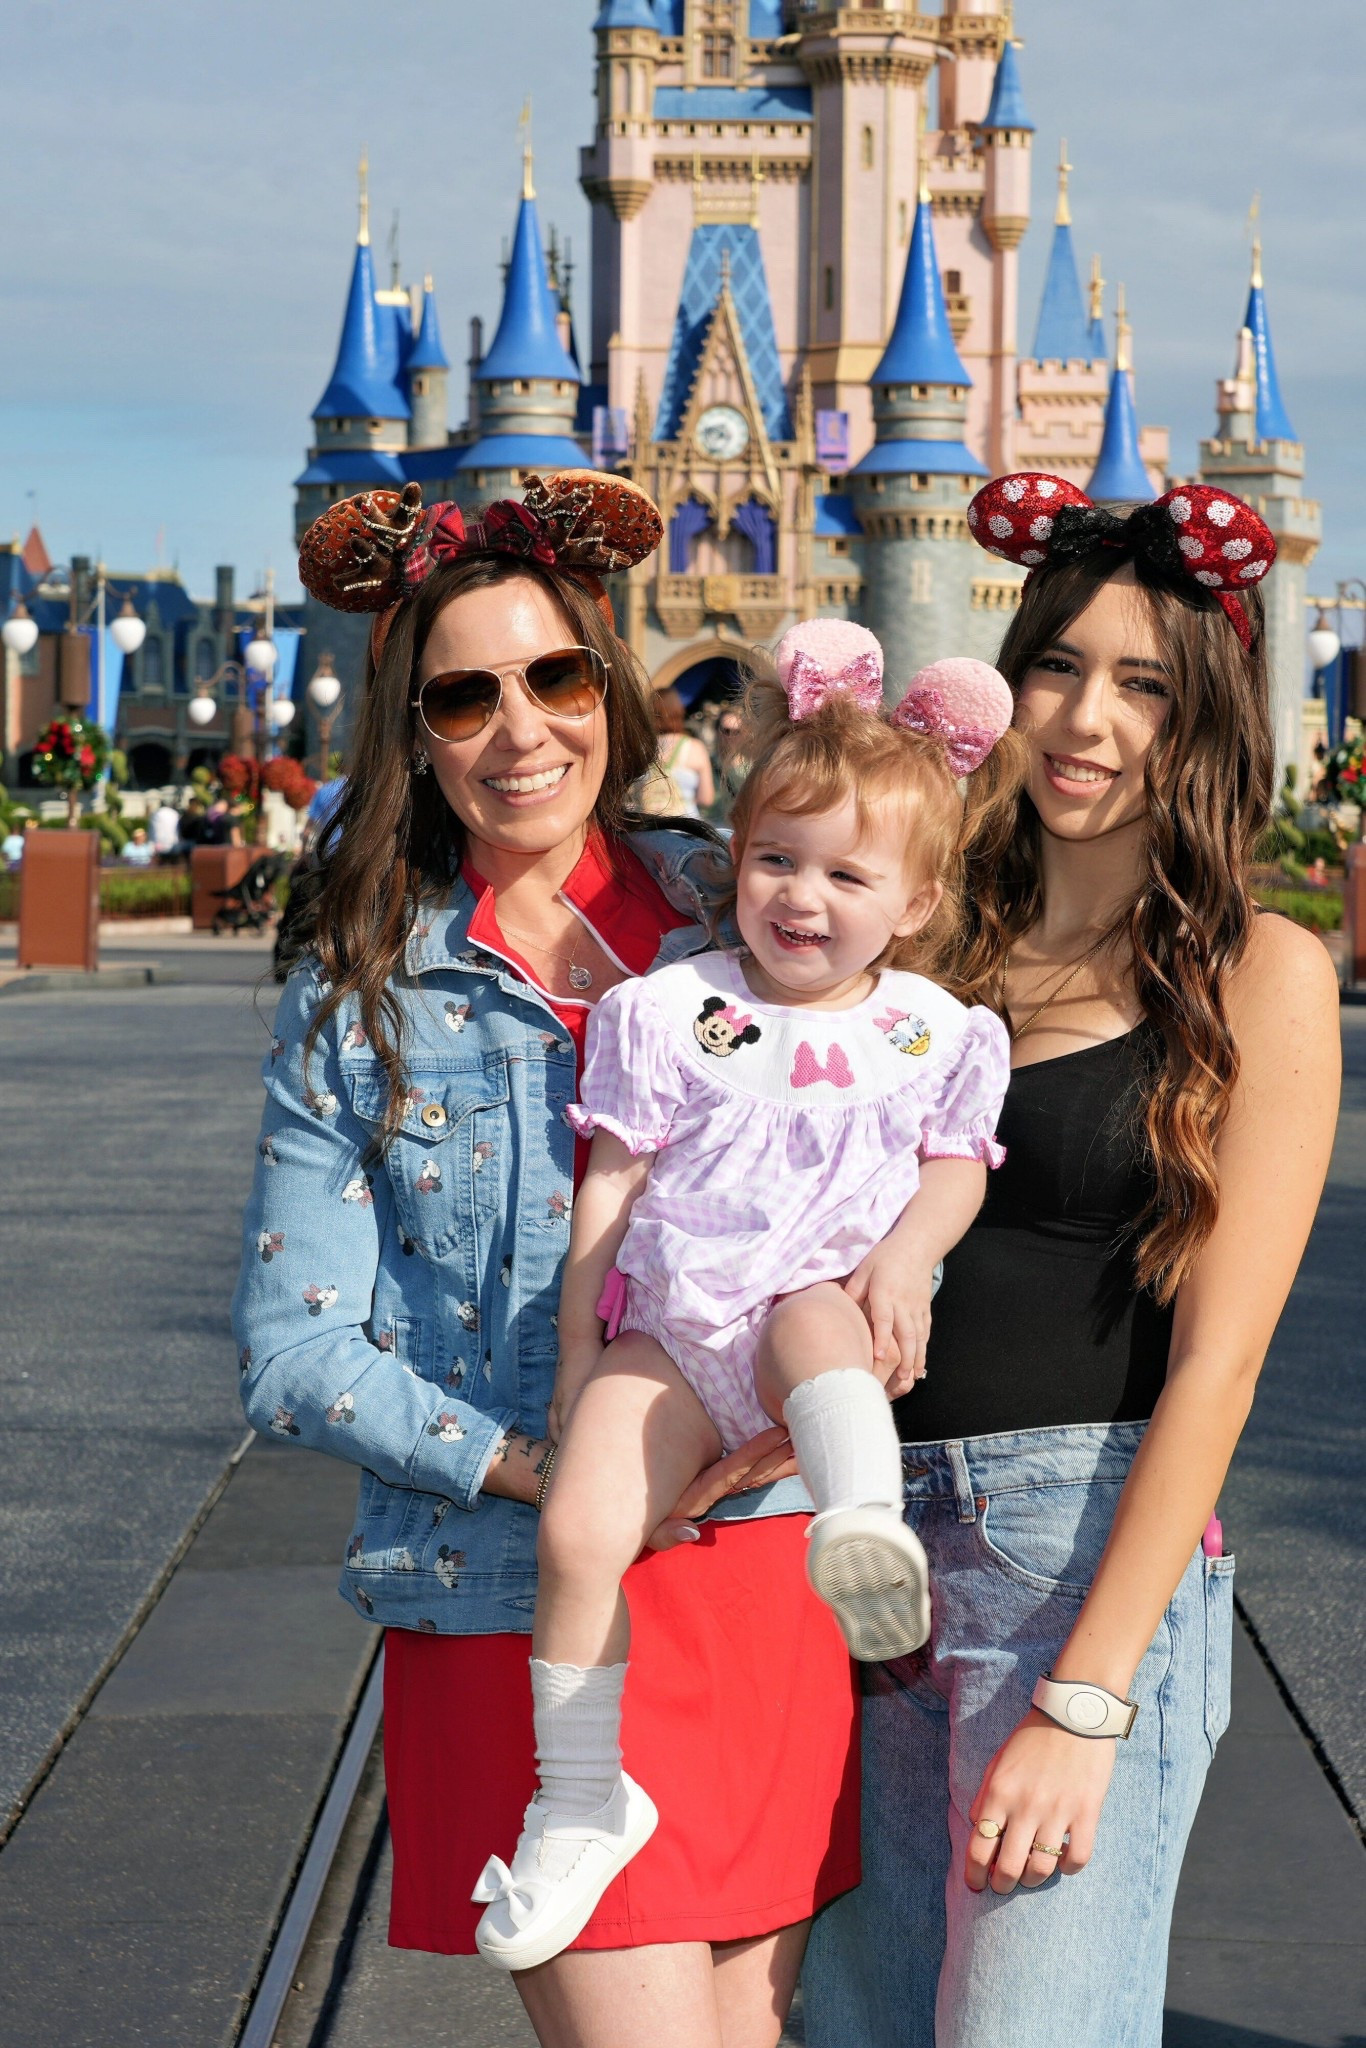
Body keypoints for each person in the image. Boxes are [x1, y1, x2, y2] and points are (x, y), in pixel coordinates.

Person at [232, 473, 860, 2048]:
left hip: (759, 1578)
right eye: (465, 694)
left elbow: (908, 1086)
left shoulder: (733, 906)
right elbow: (293, 1353)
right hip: (519, 1605)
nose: (522, 729)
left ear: (607, 683)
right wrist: (542, 1469)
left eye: (555, 676)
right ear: (413, 731)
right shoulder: (363, 987)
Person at [802, 473, 1342, 2047]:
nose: (1084, 719)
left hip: (1071, 1560)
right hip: (845, 1546)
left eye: (1142, 682)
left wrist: (1090, 1698)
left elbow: (1221, 1365)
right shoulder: (923, 939)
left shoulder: (1257, 971)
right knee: (850, 2026)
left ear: (1205, 721)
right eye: (1055, 666)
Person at [473, 628, 1017, 1972]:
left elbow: (956, 1171)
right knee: (581, 1523)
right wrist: (575, 1355)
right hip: (668, 1332)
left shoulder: (933, 1032)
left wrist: (901, 1260)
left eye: (846, 874)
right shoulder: (672, 1010)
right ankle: (580, 1797)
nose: (800, 897)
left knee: (818, 1329)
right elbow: (610, 1187)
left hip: (796, 1310)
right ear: (736, 851)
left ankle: (862, 1529)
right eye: (776, 858)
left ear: (917, 898)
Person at [640, 687, 715, 818]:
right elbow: (706, 798)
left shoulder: (642, 748)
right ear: (678, 711)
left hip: (649, 827)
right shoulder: (695, 748)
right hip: (685, 826)